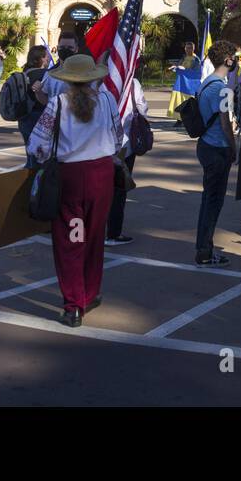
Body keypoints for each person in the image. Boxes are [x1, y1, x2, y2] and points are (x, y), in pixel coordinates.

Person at [27, 53, 126, 327]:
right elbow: (119, 138)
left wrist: (47, 155)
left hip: (69, 178)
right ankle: (90, 293)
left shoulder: (57, 104)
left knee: (71, 239)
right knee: (94, 236)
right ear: (93, 77)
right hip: (101, 175)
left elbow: (37, 144)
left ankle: (74, 304)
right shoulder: (106, 100)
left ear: (67, 80)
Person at [193, 39, 240, 267]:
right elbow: (225, 123)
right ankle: (204, 250)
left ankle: (203, 247)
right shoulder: (222, 89)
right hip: (217, 148)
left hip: (205, 145)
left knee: (208, 200)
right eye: (235, 57)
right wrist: (234, 148)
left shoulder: (206, 83)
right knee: (213, 202)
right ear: (228, 60)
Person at [108, 76, 148, 246]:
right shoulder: (132, 83)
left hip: (102, 146)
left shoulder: (100, 83)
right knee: (118, 189)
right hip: (124, 144)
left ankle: (96, 230)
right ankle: (113, 233)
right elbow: (143, 108)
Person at [18, 45, 51, 168]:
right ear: (42, 59)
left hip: (24, 117)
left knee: (30, 153)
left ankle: (28, 179)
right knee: (39, 158)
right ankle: (34, 183)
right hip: (38, 117)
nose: (48, 60)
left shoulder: (25, 72)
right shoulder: (45, 74)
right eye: (47, 57)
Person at [167, 41, 199, 124]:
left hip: (190, 85)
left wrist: (184, 69)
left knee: (189, 102)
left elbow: (195, 72)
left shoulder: (196, 59)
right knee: (179, 101)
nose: (187, 50)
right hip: (181, 84)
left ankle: (190, 120)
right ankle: (179, 119)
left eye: (189, 48)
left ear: (193, 49)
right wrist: (174, 68)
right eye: (186, 48)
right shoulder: (183, 58)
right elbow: (179, 66)